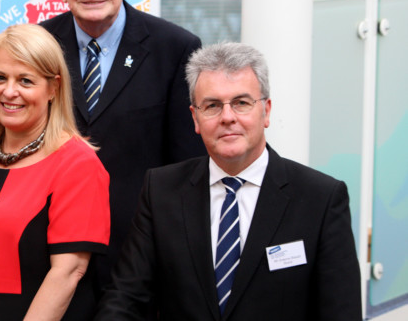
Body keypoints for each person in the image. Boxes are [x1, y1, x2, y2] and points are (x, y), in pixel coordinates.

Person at [95, 42, 363, 320]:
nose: (227, 117)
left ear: (266, 111)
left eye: (241, 103)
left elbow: (341, 311)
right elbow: (126, 296)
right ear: (195, 118)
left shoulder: (321, 199)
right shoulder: (161, 191)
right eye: (211, 106)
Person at [40, 0, 206, 290]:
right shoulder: (38, 46)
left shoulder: (176, 49)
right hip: (51, 248)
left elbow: (187, 166)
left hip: (141, 253)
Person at [0, 24, 111, 320]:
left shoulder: (78, 163)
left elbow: (68, 272)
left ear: (54, 88)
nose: (9, 91)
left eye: (25, 80)